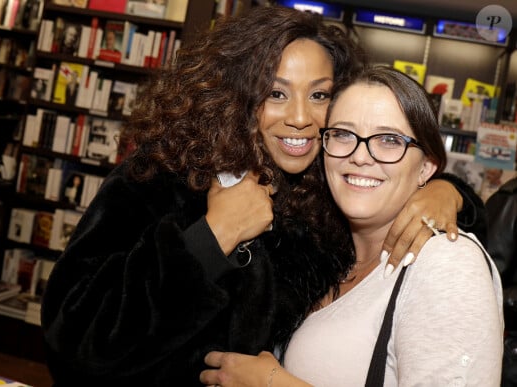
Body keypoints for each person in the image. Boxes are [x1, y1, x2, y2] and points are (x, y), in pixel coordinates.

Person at [42, 7, 484, 386]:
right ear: (235, 96)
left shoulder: (332, 194)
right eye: (275, 93)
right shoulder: (164, 176)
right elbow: (73, 334)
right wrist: (211, 238)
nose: (299, 118)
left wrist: (450, 191)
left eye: (319, 95)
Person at [201, 66, 503, 386]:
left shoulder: (447, 263)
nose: (360, 156)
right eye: (344, 134)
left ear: (426, 166)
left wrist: (272, 382)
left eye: (388, 140)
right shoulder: (330, 255)